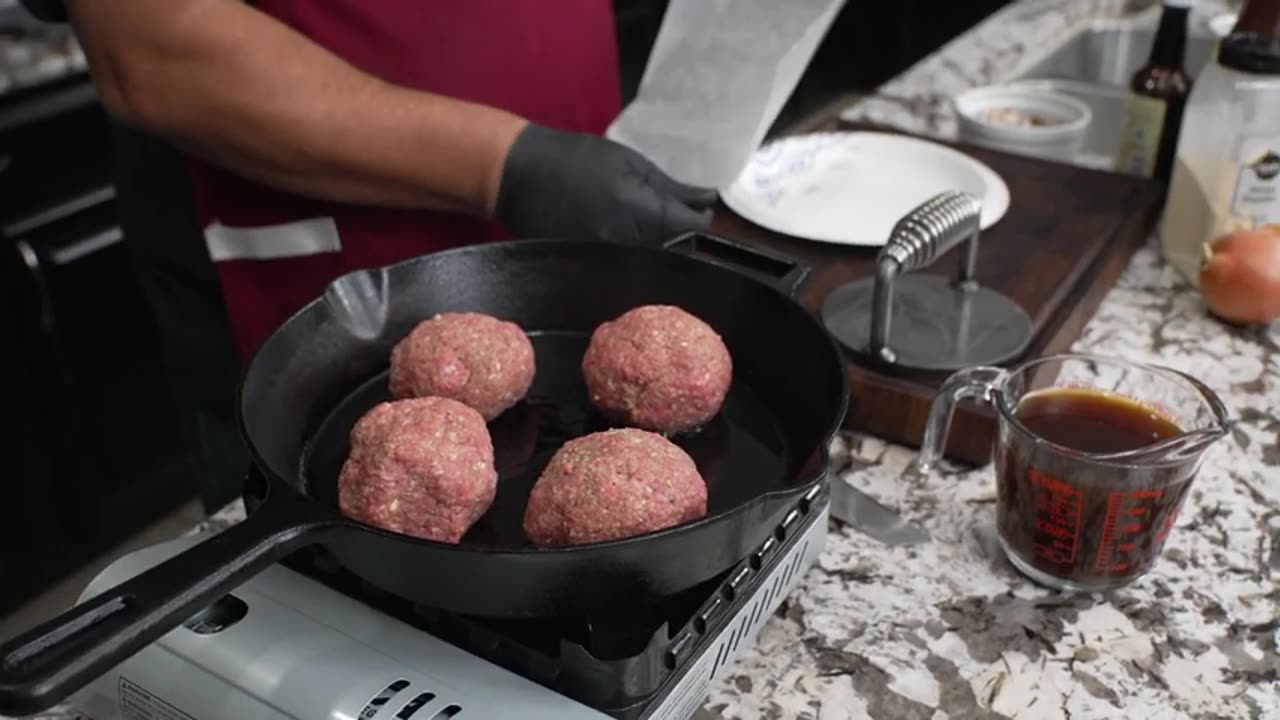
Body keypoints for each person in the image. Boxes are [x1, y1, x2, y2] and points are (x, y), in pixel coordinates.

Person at [21, 0, 716, 510]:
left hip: (572, 199)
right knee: (304, 565)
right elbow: (151, 45)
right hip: (295, 268)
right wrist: (505, 166)